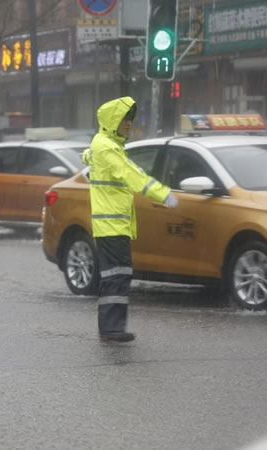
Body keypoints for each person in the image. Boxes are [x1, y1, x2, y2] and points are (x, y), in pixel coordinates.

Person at [82, 97, 177, 343]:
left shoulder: (103, 145)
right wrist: (163, 193)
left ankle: (111, 327)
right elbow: (130, 174)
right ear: (112, 120)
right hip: (111, 225)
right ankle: (111, 329)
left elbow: (90, 156)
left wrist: (88, 157)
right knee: (118, 275)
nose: (128, 124)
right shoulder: (107, 147)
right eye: (124, 119)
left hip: (112, 224)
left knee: (115, 275)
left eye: (130, 119)